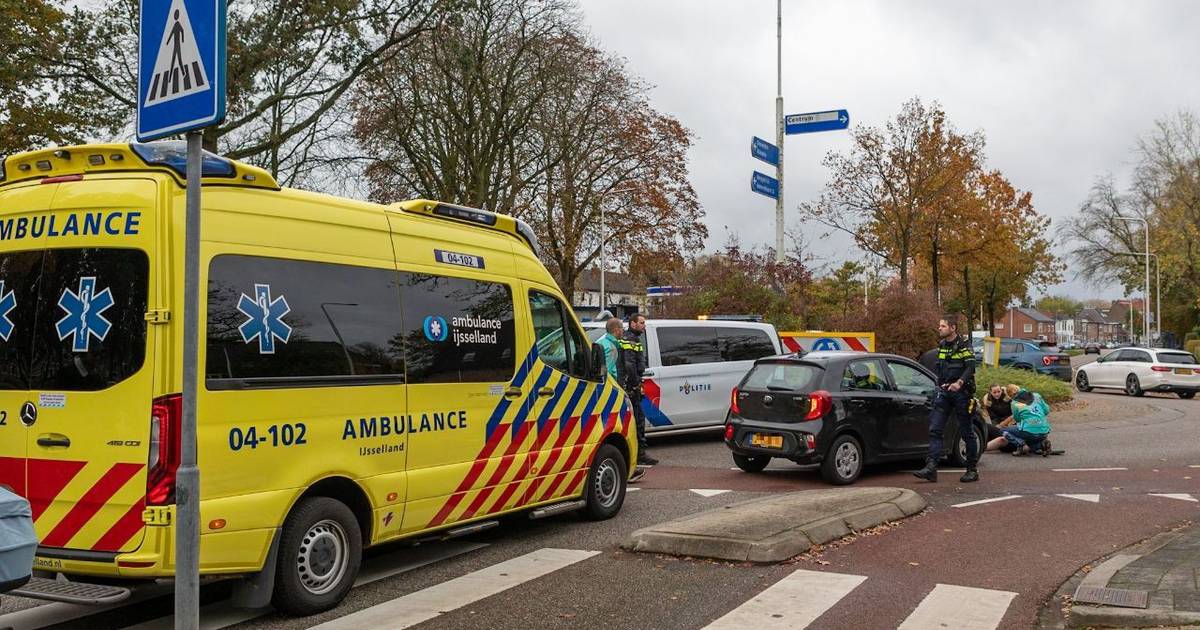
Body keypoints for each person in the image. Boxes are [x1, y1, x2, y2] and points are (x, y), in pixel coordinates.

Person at [914, 314, 980, 483]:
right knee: (935, 429)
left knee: (966, 432)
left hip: (962, 394)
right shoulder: (942, 345)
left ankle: (972, 470)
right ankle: (931, 468)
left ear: (953, 328)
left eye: (943, 326)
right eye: (940, 326)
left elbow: (971, 367)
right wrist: (939, 384)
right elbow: (941, 369)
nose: (940, 328)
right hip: (944, 393)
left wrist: (959, 383)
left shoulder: (965, 346)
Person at [620, 313, 657, 466]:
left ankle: (638, 453)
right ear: (633, 324)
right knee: (638, 420)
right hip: (631, 386)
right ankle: (639, 454)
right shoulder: (629, 340)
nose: (644, 326)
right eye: (641, 323)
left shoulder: (634, 339)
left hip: (633, 384)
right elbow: (629, 364)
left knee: (638, 419)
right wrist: (635, 384)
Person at [985, 387, 1052, 456]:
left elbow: (1017, 419)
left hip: (1028, 429)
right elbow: (1046, 410)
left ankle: (1021, 444)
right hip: (1045, 430)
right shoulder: (1037, 395)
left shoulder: (1015, 403)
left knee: (1003, 431)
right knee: (1031, 438)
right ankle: (1042, 444)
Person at [980, 383, 1017, 453]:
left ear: (1001, 390)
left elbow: (1014, 413)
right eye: (994, 392)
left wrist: (1004, 424)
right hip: (997, 418)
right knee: (990, 429)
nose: (997, 394)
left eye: (998, 392)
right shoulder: (988, 399)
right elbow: (992, 416)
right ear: (990, 392)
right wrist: (996, 426)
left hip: (1009, 419)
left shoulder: (1007, 396)